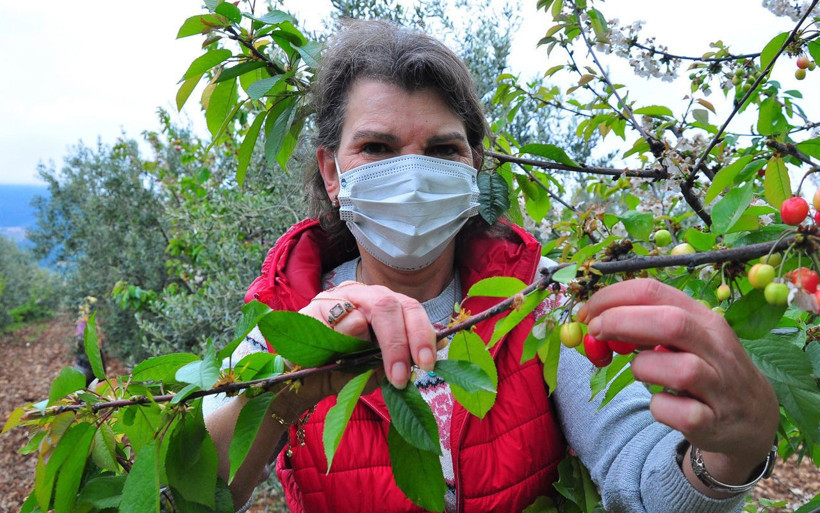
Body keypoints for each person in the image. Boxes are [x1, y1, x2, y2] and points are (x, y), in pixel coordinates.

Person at [204, 19, 780, 513]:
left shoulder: (543, 297)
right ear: (332, 174)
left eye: (443, 150)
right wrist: (281, 390)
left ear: (474, 168)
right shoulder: (289, 321)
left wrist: (730, 453)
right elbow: (191, 491)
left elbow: (640, 470)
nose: (412, 178)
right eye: (376, 148)